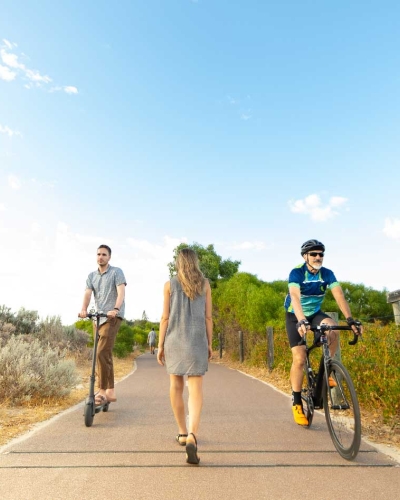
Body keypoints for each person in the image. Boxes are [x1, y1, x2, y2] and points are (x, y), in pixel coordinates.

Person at [284, 239, 363, 426]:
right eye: (314, 254)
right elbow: (295, 297)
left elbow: (339, 295)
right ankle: (296, 402)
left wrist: (350, 319)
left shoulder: (327, 274)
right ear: (305, 256)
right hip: (295, 315)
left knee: (333, 329)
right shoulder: (297, 272)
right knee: (300, 358)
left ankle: (327, 369)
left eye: (321, 254)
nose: (318, 257)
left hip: (315, 313)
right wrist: (301, 319)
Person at [157, 248, 213, 465]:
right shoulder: (205, 284)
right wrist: (209, 343)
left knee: (176, 386)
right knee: (196, 388)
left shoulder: (169, 285)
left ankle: (181, 432)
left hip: (174, 340)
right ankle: (192, 434)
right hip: (197, 340)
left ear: (178, 263)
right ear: (195, 262)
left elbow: (164, 317)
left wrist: (160, 345)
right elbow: (208, 317)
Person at [78, 244, 127, 406]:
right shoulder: (91, 276)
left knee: (100, 352)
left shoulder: (116, 272)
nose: (101, 257)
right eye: (98, 254)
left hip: (112, 317)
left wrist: (115, 309)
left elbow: (121, 292)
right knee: (103, 353)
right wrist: (84, 309)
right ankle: (110, 390)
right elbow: (87, 293)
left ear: (109, 257)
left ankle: (102, 390)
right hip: (97, 317)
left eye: (104, 254)